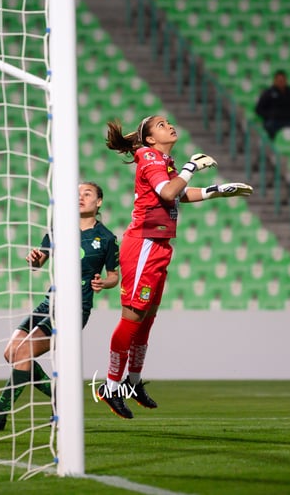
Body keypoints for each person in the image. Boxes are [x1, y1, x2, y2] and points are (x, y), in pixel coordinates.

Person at [96, 115, 253, 419]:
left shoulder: (163, 159)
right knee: (133, 318)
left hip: (159, 246)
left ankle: (133, 381)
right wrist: (191, 167)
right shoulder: (150, 155)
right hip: (142, 245)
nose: (168, 125)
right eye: (160, 124)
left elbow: (179, 194)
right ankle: (111, 385)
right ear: (150, 138)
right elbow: (167, 193)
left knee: (146, 319)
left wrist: (218, 190)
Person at [0, 181, 119, 431]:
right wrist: (35, 259)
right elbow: (38, 262)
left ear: (98, 202)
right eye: (76, 193)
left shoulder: (107, 238)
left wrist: (105, 282)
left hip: (75, 308)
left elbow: (114, 275)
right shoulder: (59, 229)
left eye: (87, 193)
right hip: (50, 302)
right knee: (12, 354)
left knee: (23, 353)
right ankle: (61, 398)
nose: (80, 197)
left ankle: (0, 416)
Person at [255, 70, 290, 144]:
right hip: (274, 121)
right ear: (275, 81)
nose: (281, 82)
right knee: (268, 128)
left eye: (283, 80)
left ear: (286, 80)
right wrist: (270, 115)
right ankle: (271, 150)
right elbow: (259, 109)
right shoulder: (268, 93)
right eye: (279, 80)